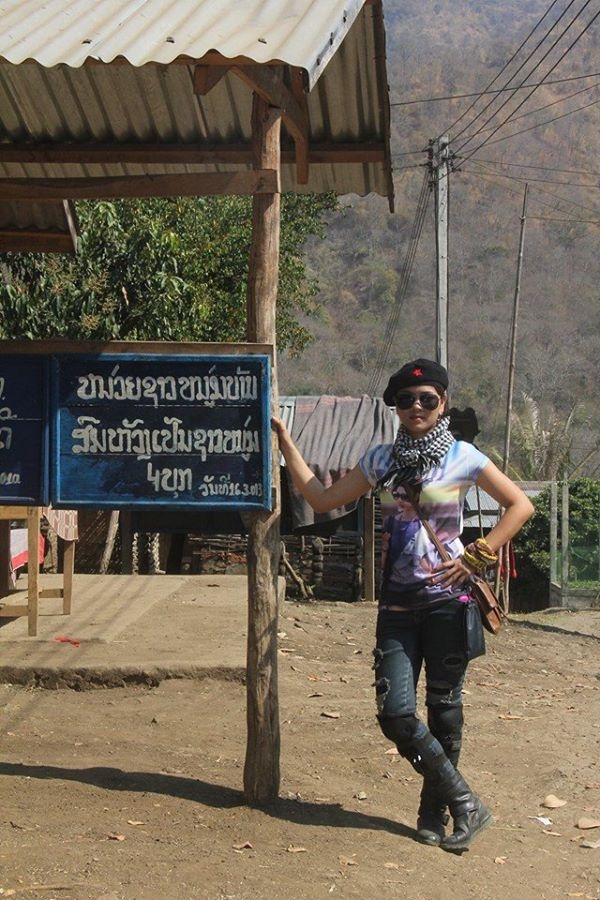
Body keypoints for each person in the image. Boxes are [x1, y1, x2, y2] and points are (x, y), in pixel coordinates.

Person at [272, 358, 534, 853]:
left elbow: (520, 505)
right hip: (396, 607)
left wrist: (477, 555)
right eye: (406, 400)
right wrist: (287, 443)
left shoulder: (463, 456)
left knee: (444, 712)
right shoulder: (382, 459)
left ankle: (434, 812)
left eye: (427, 399)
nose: (416, 407)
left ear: (443, 404)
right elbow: (322, 499)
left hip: (448, 604)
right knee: (395, 714)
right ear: (395, 406)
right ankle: (467, 801)